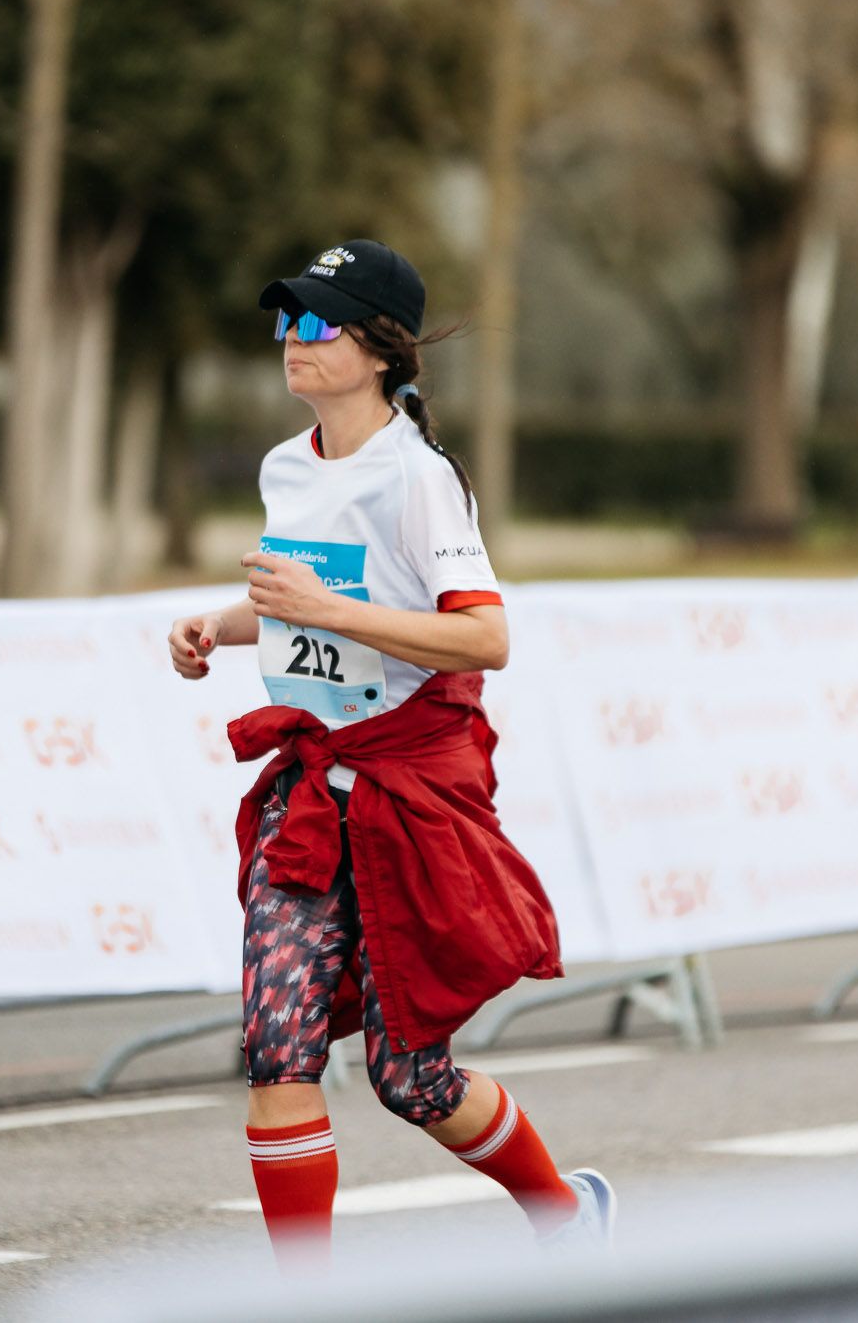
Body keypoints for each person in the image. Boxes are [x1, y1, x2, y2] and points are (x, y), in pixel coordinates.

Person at [166, 239, 614, 1268]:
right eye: (284, 322)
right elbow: (299, 610)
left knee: (409, 1075)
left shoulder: (418, 480)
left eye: (316, 324)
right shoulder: (287, 464)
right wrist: (219, 625)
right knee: (277, 1049)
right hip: (306, 795)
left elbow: (483, 636)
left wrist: (334, 611)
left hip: (402, 791)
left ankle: (564, 1213)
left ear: (376, 350)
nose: (292, 342)